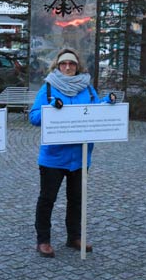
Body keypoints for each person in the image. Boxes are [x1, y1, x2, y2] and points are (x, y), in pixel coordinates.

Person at [29, 48, 116, 258]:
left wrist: (109, 103)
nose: (68, 67)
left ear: (78, 66)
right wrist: (51, 107)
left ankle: (74, 237)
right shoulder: (49, 87)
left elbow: (96, 111)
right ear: (57, 66)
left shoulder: (87, 88)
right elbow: (33, 117)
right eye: (63, 64)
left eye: (72, 64)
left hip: (80, 155)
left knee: (76, 199)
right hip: (54, 157)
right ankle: (43, 240)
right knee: (47, 199)